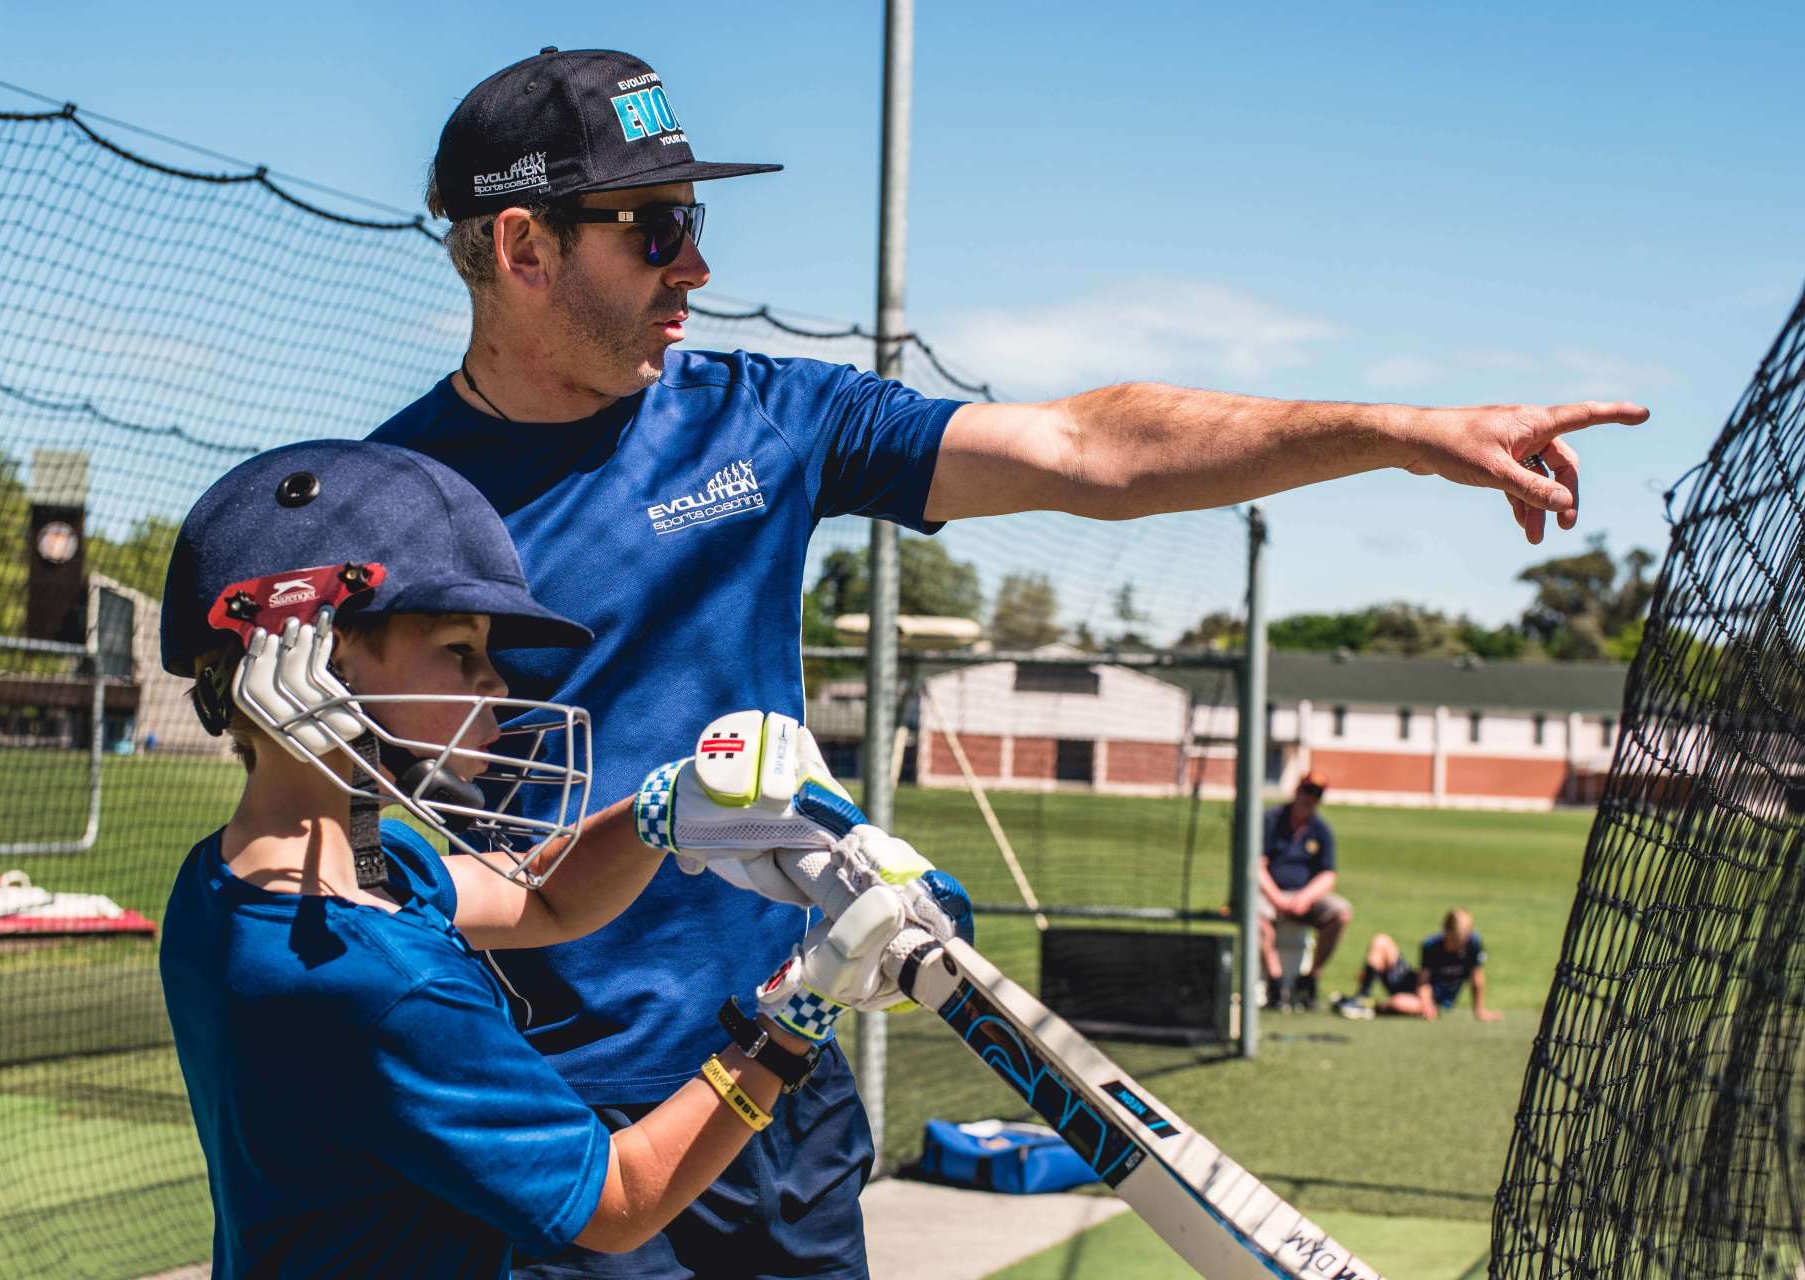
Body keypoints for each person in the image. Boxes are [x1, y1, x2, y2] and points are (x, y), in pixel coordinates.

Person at [370, 46, 1647, 1276]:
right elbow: (362, 850)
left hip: (777, 1082)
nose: (695, 264)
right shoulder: (382, 513)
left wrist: (1397, 432)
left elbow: (1092, 445)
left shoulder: (758, 417)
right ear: (524, 246)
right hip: (561, 1122)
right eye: (653, 227)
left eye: (695, 219)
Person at [155, 440, 966, 1278]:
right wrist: (796, 1019)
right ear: (315, 663)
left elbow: (543, 902)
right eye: (459, 652)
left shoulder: (262, 877)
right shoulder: (377, 981)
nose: (496, 686)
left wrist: (668, 810)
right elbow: (619, 1202)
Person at [1258, 772, 1349, 1010]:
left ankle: (1309, 979)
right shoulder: (1271, 820)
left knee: (1341, 913)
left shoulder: (1321, 830)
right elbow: (1256, 865)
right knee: (1256, 917)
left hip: (1305, 896)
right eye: (1307, 791)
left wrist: (1305, 897)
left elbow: (1328, 875)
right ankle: (1276, 985)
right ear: (1297, 790)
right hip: (1271, 893)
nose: (1309, 799)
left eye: (1316, 795)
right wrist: (1276, 897)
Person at [1334, 909, 1501, 1022]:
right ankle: (1362, 998)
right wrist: (1371, 971)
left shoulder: (1473, 945)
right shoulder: (1431, 945)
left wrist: (1479, 1010)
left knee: (1398, 1002)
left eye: (1462, 940)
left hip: (1438, 1001)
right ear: (1445, 931)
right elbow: (1423, 980)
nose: (1459, 945)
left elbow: (1477, 978)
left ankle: (1372, 1006)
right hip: (1419, 988)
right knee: (1381, 940)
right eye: (1455, 940)